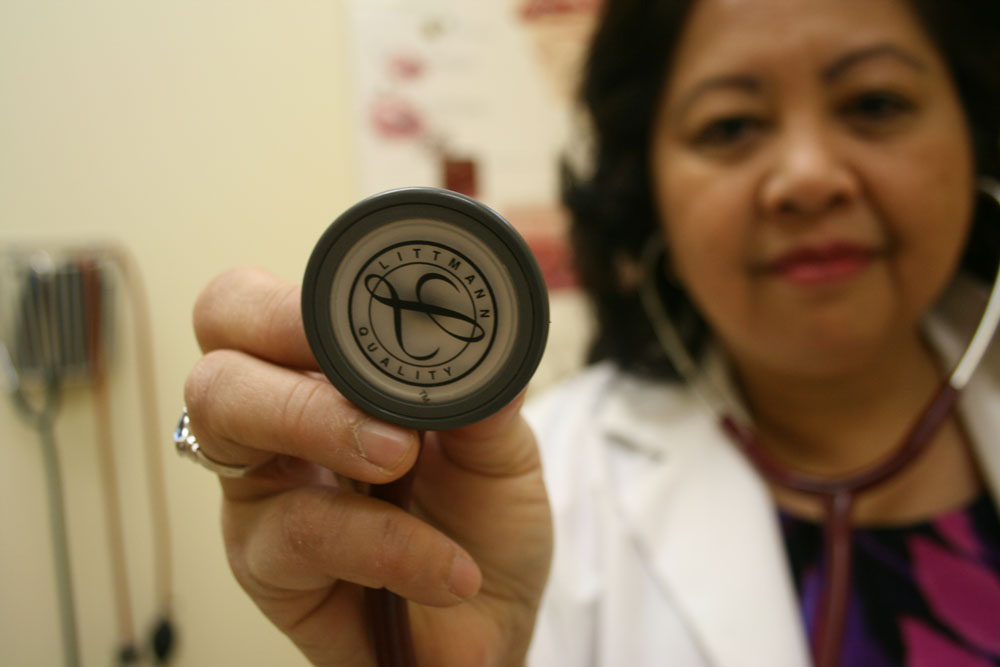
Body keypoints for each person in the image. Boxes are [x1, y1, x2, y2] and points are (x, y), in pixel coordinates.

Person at [181, 0, 1000, 664]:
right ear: (649, 191)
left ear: (976, 135)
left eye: (876, 104)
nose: (809, 177)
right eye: (731, 126)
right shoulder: (507, 504)